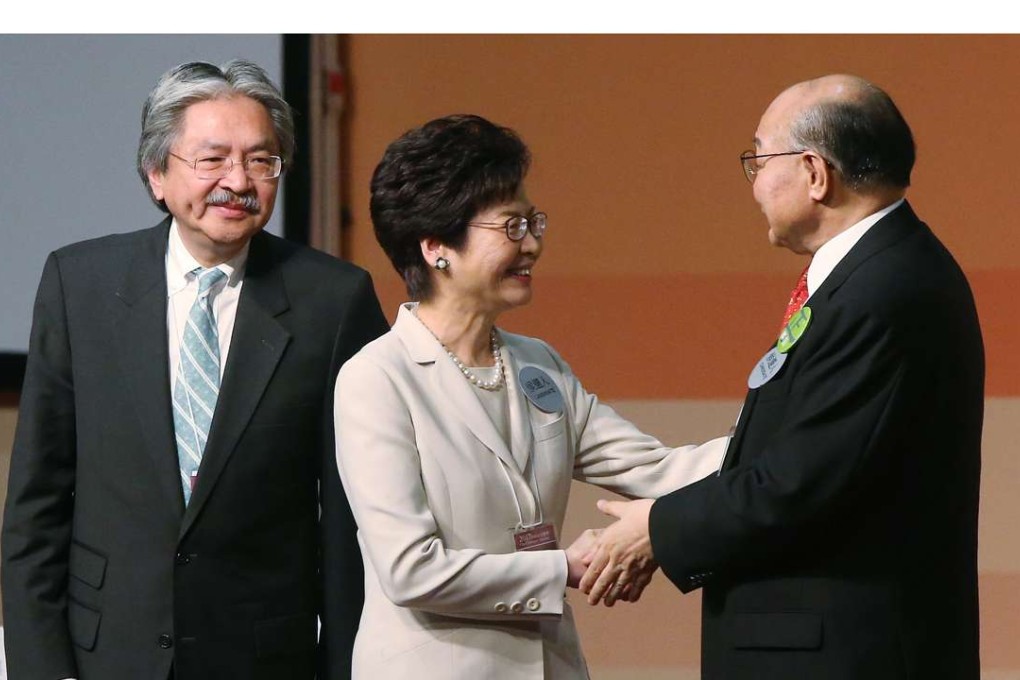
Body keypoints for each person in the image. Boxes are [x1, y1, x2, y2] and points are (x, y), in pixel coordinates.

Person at [580, 74, 984, 679]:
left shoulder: (884, 289)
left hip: (844, 655)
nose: (755, 184)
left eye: (759, 159)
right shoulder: (880, 272)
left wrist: (657, 529)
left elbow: (800, 478)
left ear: (815, 173)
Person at [1, 60, 389, 680]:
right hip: (107, 651)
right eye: (212, 159)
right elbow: (36, 506)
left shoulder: (334, 301)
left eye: (261, 161)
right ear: (157, 173)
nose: (238, 180)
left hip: (264, 657)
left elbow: (352, 522)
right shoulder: (82, 285)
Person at [332, 114, 729, 679]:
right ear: (437, 245)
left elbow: (659, 468)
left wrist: (779, 435)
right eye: (512, 226)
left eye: (534, 221)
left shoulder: (537, 364)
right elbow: (409, 570)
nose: (534, 244)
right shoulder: (377, 377)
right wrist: (563, 568)